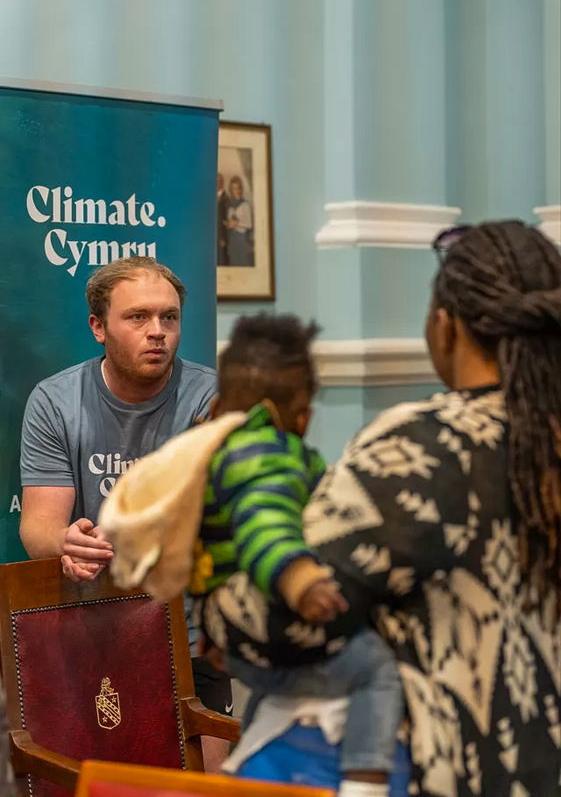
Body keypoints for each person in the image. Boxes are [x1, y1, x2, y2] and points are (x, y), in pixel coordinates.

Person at [207, 221, 561, 796]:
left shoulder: (424, 449)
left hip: (456, 771)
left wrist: (218, 602)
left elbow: (273, 621)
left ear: (444, 326)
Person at [190, 314, 403, 797]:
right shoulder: (267, 454)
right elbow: (268, 524)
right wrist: (299, 578)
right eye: (306, 408)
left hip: (230, 637)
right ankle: (367, 779)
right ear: (298, 414)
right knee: (376, 668)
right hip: (274, 609)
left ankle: (258, 742)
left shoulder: (212, 451)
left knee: (279, 684)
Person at [18, 256, 233, 734]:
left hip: (192, 635)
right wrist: (67, 543)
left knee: (208, 780)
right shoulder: (55, 401)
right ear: (98, 327)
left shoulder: (213, 399)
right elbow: (38, 526)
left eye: (169, 317)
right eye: (138, 317)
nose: (157, 331)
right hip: (89, 628)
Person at [225, 175, 253, 267]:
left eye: (237, 188)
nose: (236, 190)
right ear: (231, 189)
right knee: (233, 262)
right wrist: (228, 224)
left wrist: (237, 224)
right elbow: (228, 222)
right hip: (232, 239)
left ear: (241, 189)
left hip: (242, 239)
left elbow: (249, 224)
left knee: (242, 263)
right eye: (233, 188)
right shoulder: (229, 204)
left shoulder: (245, 205)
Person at [217, 172, 230, 266]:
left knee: (222, 258)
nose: (218, 183)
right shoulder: (213, 197)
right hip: (215, 233)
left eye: (219, 181)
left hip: (223, 233)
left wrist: (223, 237)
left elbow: (225, 219)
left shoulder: (226, 198)